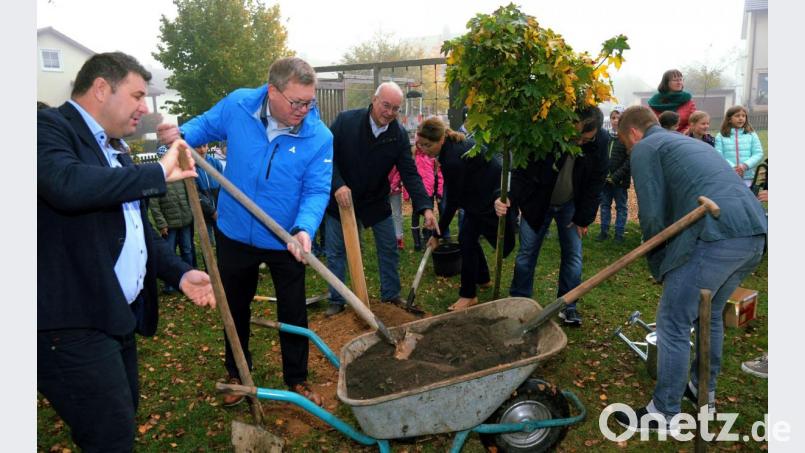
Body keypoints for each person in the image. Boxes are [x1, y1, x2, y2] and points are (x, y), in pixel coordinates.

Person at [38, 52, 216, 452]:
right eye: (137, 95)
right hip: (69, 325)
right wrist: (158, 171)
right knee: (111, 437)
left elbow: (133, 231)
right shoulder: (45, 128)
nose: (143, 107)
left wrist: (178, 271)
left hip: (114, 315)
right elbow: (67, 185)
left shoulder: (113, 149)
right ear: (101, 88)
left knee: (118, 422)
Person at [157, 56, 333, 407]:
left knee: (294, 311)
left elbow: (316, 190)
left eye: (309, 102)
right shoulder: (238, 105)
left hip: (285, 239)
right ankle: (237, 372)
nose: (303, 110)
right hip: (234, 232)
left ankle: (296, 378)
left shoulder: (319, 137)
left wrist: (304, 229)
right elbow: (202, 127)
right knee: (234, 305)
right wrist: (180, 137)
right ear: (272, 92)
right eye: (297, 102)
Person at [612, 106, 767, 432]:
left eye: (626, 144)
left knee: (672, 321)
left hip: (718, 236)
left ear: (634, 134)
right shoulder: (688, 142)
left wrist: (657, 263)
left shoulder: (645, 147)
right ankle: (701, 391)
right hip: (753, 232)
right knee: (707, 315)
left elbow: (652, 215)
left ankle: (664, 413)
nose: (629, 150)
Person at [324, 82, 438, 316]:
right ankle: (337, 299)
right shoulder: (346, 122)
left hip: (375, 200)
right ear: (374, 100)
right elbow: (326, 158)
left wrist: (426, 208)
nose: (390, 113)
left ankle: (390, 295)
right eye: (386, 105)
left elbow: (409, 173)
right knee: (336, 251)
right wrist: (338, 185)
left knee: (388, 247)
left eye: (396, 108)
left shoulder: (396, 135)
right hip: (341, 200)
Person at [494, 106, 609, 327]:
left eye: (586, 139)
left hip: (571, 206)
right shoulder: (548, 132)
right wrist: (512, 198)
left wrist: (584, 217)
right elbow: (522, 169)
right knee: (526, 255)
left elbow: (597, 180)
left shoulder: (600, 142)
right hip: (538, 203)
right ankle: (520, 301)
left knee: (573, 257)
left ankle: (568, 305)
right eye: (576, 137)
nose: (580, 143)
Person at [419, 117, 516, 310]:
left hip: (490, 201)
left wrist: (438, 234)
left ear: (441, 140)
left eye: (428, 145)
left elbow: (452, 201)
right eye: (420, 144)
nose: (424, 149)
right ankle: (482, 279)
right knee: (467, 239)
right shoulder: (451, 147)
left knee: (479, 242)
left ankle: (468, 295)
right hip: (476, 199)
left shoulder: (452, 159)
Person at [149, 164, 196, 290]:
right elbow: (154, 206)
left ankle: (191, 279)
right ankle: (170, 284)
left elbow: (189, 197)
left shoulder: (181, 178)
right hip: (169, 225)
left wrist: (191, 214)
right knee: (169, 252)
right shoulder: (158, 181)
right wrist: (162, 224)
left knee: (187, 250)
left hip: (185, 221)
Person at [597, 106, 630, 243]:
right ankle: (604, 231)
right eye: (613, 118)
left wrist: (615, 176)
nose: (615, 121)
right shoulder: (606, 137)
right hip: (605, 181)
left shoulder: (627, 138)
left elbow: (629, 161)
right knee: (604, 206)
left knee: (621, 207)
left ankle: (619, 234)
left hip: (619, 182)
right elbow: (600, 157)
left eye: (619, 118)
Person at [714, 105, 765, 187]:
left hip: (747, 177)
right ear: (729, 119)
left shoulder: (752, 134)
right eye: (737, 116)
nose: (741, 118)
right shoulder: (720, 136)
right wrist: (733, 167)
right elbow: (718, 155)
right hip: (728, 176)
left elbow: (758, 153)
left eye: (743, 116)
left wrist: (744, 165)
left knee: (747, 199)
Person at [405, 143, 443, 251]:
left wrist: (438, 191)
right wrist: (407, 194)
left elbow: (438, 175)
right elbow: (408, 177)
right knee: (415, 215)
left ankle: (427, 238)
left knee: (429, 215)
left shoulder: (432, 157)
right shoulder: (413, 158)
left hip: (429, 192)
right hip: (417, 193)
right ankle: (417, 243)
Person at [648, 69, 696, 133]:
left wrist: (683, 134)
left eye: (681, 80)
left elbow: (694, 121)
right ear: (666, 82)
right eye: (675, 80)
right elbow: (650, 123)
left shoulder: (687, 101)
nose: (679, 82)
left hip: (683, 138)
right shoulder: (655, 101)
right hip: (659, 137)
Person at [195, 143, 225, 246]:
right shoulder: (191, 167)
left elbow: (223, 187)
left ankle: (221, 262)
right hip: (203, 213)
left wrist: (220, 209)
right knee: (207, 243)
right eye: (199, 146)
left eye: (205, 146)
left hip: (219, 212)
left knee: (222, 242)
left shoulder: (216, 163)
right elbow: (196, 193)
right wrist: (212, 211)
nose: (202, 150)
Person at [388, 166, 405, 249]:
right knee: (384, 216)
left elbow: (399, 172)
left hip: (395, 190)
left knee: (397, 214)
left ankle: (399, 238)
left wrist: (392, 186)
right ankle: (388, 238)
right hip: (381, 190)